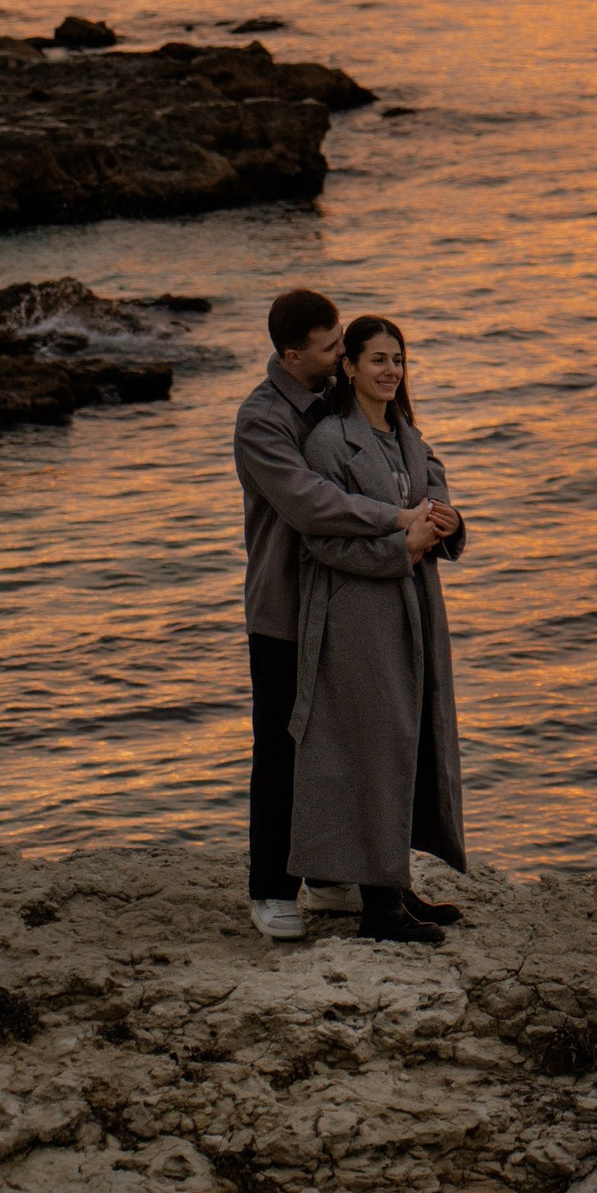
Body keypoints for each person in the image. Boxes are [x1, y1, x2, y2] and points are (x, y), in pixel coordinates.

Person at [235, 287, 454, 944]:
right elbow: (313, 504)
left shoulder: (332, 393)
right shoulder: (263, 419)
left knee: (345, 745)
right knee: (284, 749)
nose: (341, 355)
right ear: (292, 352)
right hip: (285, 607)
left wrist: (439, 508)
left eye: (342, 347)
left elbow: (412, 449)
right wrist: (400, 523)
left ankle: (334, 874)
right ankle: (271, 889)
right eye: (331, 347)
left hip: (347, 607)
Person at [291, 314, 469, 948]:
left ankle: (394, 884)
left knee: (415, 738)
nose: (391, 370)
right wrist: (404, 546)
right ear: (350, 367)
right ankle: (378, 908)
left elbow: (434, 483)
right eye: (377, 359)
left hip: (415, 610)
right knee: (374, 746)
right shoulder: (330, 442)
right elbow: (320, 542)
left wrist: (445, 520)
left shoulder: (406, 434)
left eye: (398, 359)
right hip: (358, 616)